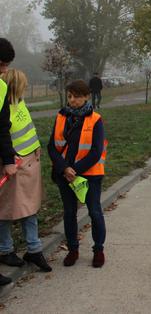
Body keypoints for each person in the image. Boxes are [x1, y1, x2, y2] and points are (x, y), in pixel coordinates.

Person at [47, 80, 108, 268]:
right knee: (69, 213)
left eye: (77, 96)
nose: (72, 100)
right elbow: (52, 146)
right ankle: (73, 249)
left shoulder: (95, 119)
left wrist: (76, 170)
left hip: (89, 175)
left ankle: (98, 249)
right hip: (65, 174)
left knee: (95, 212)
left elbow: (96, 151)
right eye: (70, 96)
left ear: (87, 97)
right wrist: (65, 168)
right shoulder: (61, 116)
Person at [0, 69, 52, 272]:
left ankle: (34, 249)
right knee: (5, 209)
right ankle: (5, 250)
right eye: (24, 84)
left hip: (28, 163)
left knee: (29, 208)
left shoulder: (18, 102)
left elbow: (27, 127)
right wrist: (8, 160)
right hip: (12, 166)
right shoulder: (5, 108)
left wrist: (36, 144)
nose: (27, 87)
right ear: (15, 86)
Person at [0, 38, 18, 285]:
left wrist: (7, 158)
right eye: (2, 64)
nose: (5, 71)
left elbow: (3, 126)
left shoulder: (1, 88)